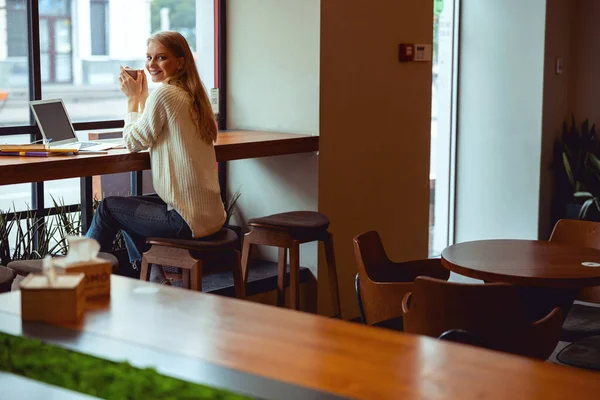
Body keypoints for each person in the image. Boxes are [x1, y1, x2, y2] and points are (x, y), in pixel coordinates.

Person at [86, 31, 226, 280]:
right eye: (149, 57)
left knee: (109, 208)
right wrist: (141, 98)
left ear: (180, 62)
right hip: (211, 216)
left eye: (161, 58)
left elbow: (133, 141)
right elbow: (151, 131)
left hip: (186, 221)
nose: (151, 64)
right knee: (130, 209)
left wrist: (132, 100)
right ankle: (152, 276)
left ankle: (76, 274)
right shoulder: (190, 95)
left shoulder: (165, 94)